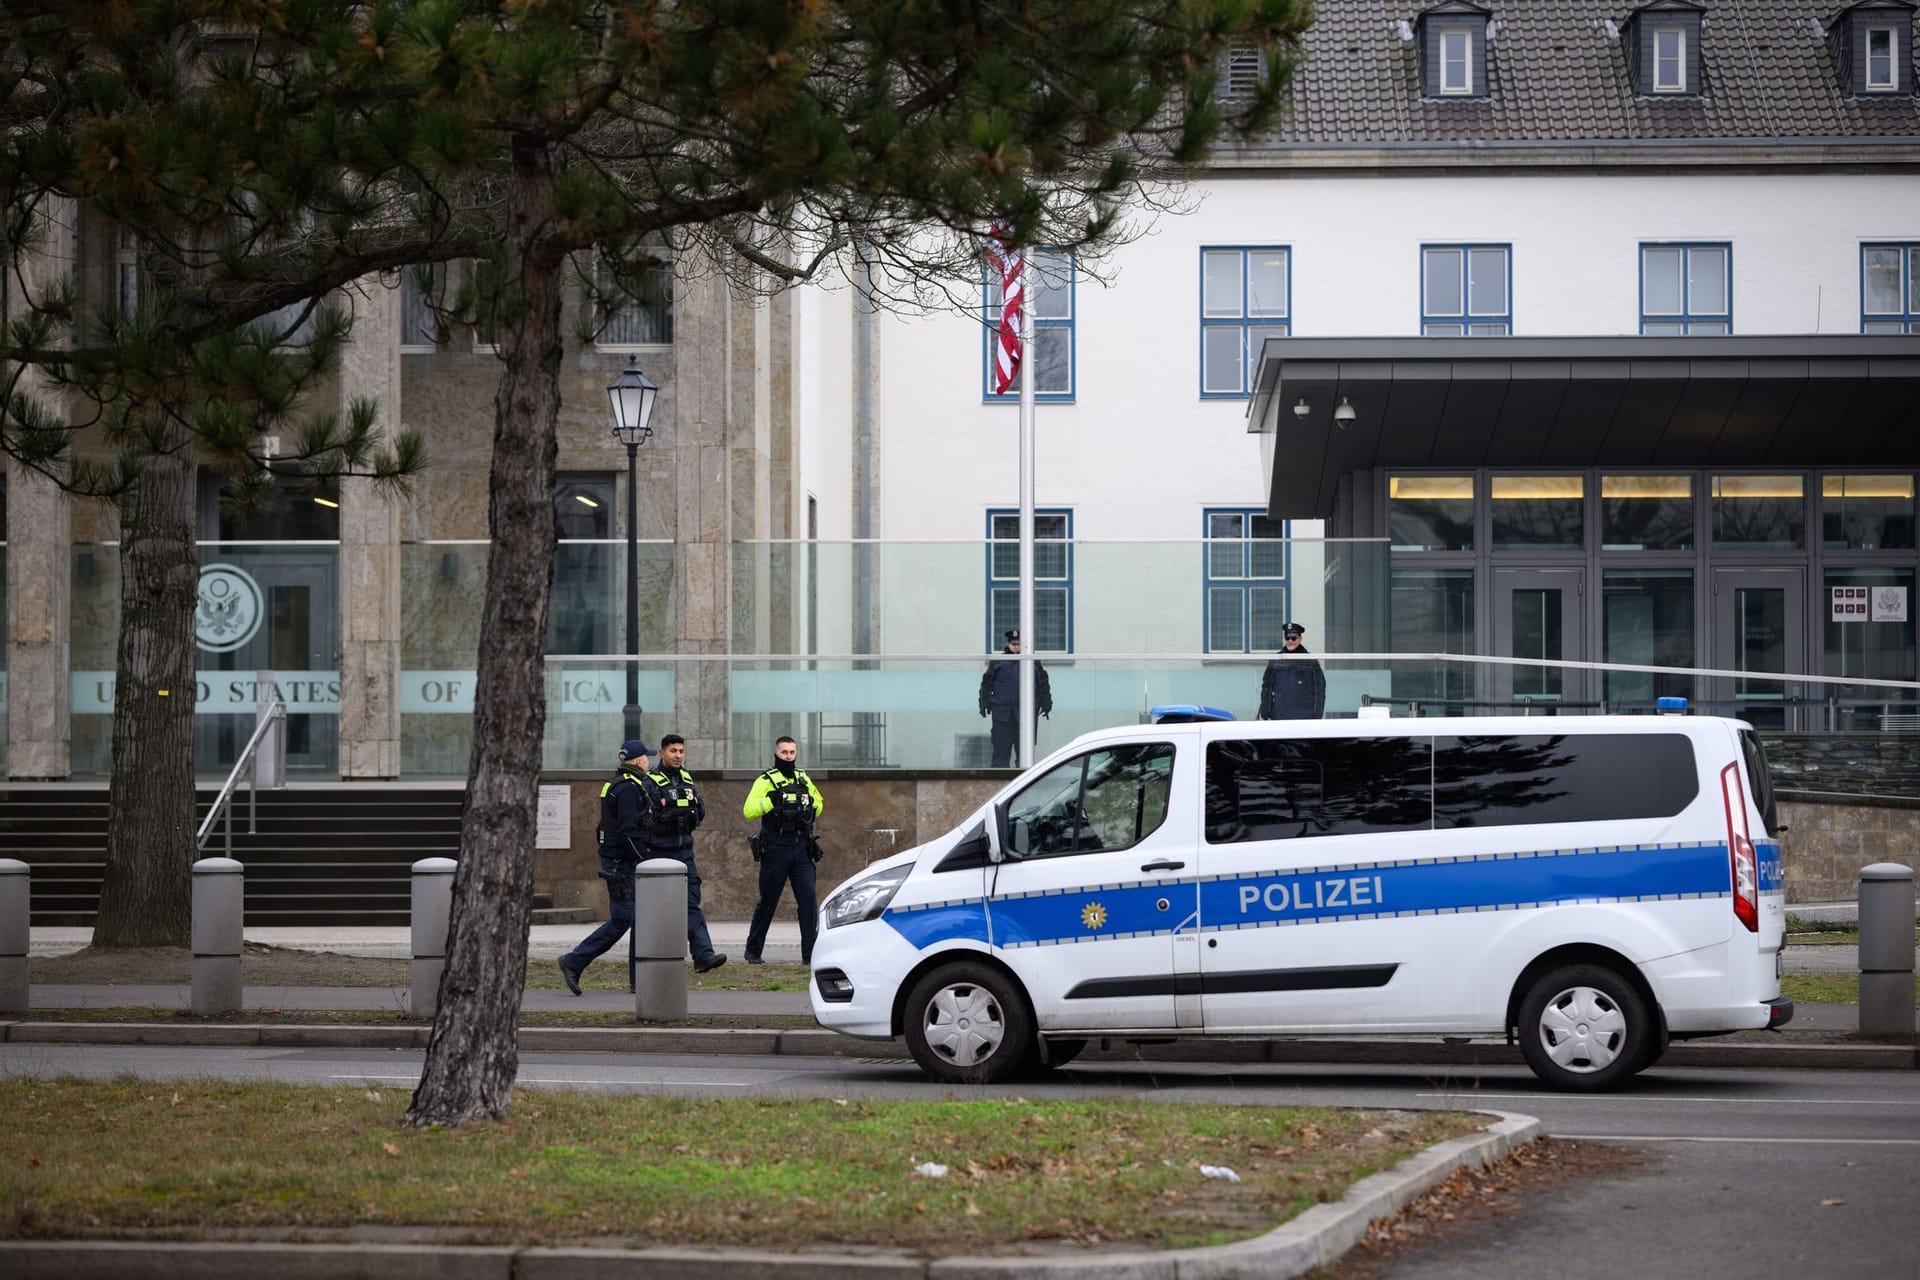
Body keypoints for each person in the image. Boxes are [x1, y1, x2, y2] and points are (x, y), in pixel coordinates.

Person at [558, 739, 655, 994]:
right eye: (647, 757)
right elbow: (626, 830)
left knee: (632, 919)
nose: (649, 760)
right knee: (624, 919)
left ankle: (638, 979)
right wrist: (643, 859)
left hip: (618, 860)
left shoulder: (617, 784)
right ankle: (574, 961)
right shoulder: (629, 789)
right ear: (638, 761)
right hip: (623, 863)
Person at [645, 733, 726, 975]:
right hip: (658, 852)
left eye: (681, 751)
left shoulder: (687, 779)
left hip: (684, 851)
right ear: (662, 753)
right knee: (654, 911)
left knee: (691, 901)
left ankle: (703, 956)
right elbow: (649, 817)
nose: (678, 755)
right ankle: (654, 964)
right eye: (673, 751)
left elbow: (699, 810)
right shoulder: (650, 782)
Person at [742, 735, 826, 965]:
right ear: (776, 754)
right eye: (784, 753)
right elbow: (748, 810)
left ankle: (810, 955)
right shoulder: (766, 780)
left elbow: (819, 803)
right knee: (768, 900)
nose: (788, 756)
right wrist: (772, 801)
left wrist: (804, 801)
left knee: (808, 900)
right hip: (776, 846)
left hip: (801, 846)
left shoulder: (802, 777)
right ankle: (753, 951)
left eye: (792, 752)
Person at [978, 628, 1052, 768]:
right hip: (1002, 715)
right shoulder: (998, 661)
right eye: (1014, 644)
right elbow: (986, 683)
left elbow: (1043, 683)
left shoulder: (1032, 661)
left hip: (1025, 715)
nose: (1016, 647)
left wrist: (1046, 702)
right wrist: (984, 702)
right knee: (1000, 755)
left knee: (1024, 758)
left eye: (1019, 644)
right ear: (1008, 643)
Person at [1259, 621, 1326, 720]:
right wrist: (1266, 710)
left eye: (1294, 638)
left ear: (1300, 639)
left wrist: (1317, 713)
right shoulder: (1276, 659)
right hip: (1280, 716)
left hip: (1304, 717)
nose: (1290, 641)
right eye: (1287, 638)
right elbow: (1267, 686)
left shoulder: (1310, 661)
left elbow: (1319, 688)